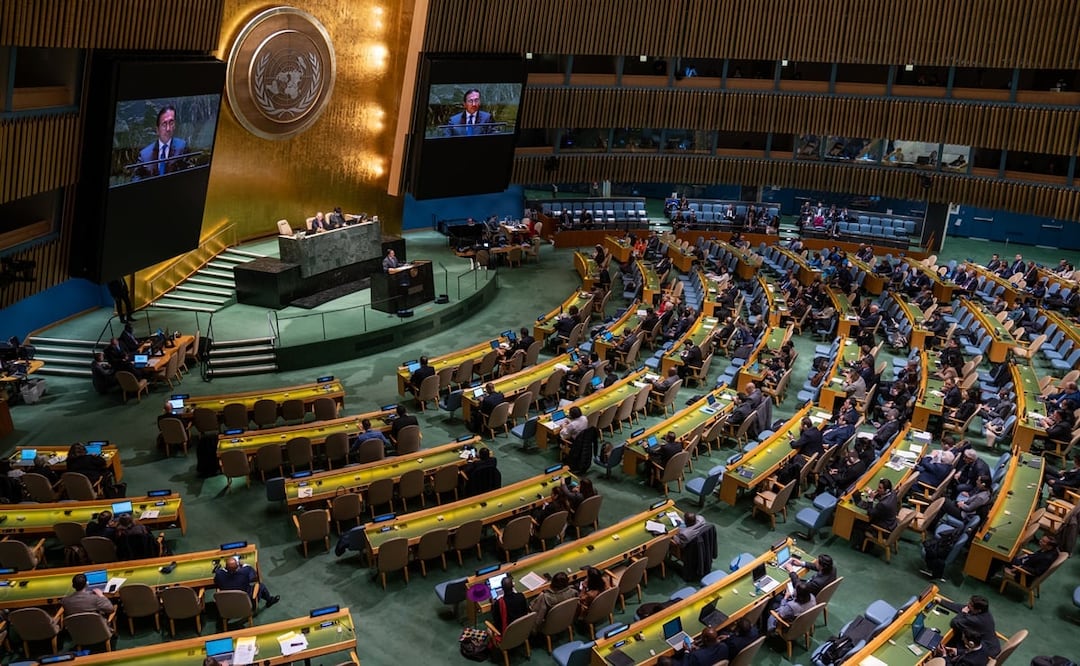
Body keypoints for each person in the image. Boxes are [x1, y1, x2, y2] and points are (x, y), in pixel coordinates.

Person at [134, 105, 188, 179]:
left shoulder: (182, 147)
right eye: (164, 124)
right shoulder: (145, 155)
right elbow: (135, 179)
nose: (168, 129)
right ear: (157, 130)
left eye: (171, 123)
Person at [214, 555, 280, 607]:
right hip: (246, 603)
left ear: (226, 567)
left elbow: (216, 581)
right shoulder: (245, 571)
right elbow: (253, 575)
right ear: (237, 567)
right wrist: (242, 565)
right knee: (260, 586)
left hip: (228, 604)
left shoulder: (219, 574)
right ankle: (269, 600)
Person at [851, 478, 899, 551]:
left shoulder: (883, 504)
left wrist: (870, 499)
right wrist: (871, 493)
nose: (877, 489)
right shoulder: (892, 493)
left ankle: (863, 547)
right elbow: (882, 497)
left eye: (880, 488)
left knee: (858, 522)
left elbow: (870, 513)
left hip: (883, 529)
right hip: (892, 524)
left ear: (886, 490)